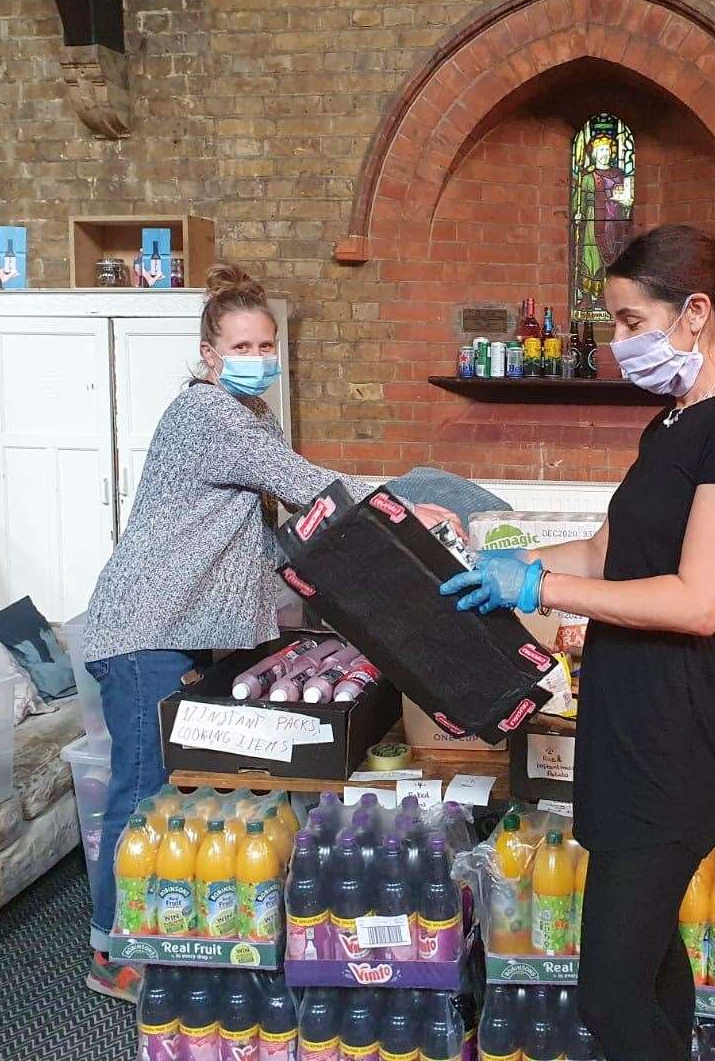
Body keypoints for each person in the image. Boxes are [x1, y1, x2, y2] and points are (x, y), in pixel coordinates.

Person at [440, 226, 715, 1061]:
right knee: (650, 960)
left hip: (678, 730)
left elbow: (699, 601)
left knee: (609, 991)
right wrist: (515, 562)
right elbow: (605, 553)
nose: (621, 345)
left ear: (696, 313)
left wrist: (545, 590)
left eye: (633, 323)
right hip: (627, 720)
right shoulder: (673, 423)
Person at [78, 264, 457, 1000]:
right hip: (144, 626)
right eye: (242, 345)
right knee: (143, 793)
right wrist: (410, 506)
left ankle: (184, 931)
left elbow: (285, 531)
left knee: (176, 796)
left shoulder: (250, 417)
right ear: (210, 353)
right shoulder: (206, 415)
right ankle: (112, 953)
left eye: (266, 343)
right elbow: (309, 482)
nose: (258, 357)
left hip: (187, 625)